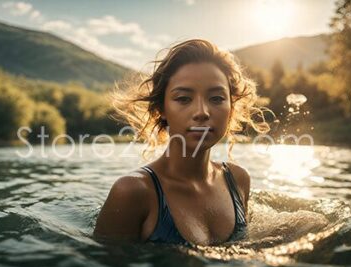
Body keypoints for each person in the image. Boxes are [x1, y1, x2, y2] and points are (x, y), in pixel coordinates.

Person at [94, 39, 269, 246]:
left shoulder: (238, 180)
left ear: (232, 107)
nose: (202, 112)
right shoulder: (133, 192)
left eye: (216, 98)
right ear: (161, 109)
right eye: (184, 99)